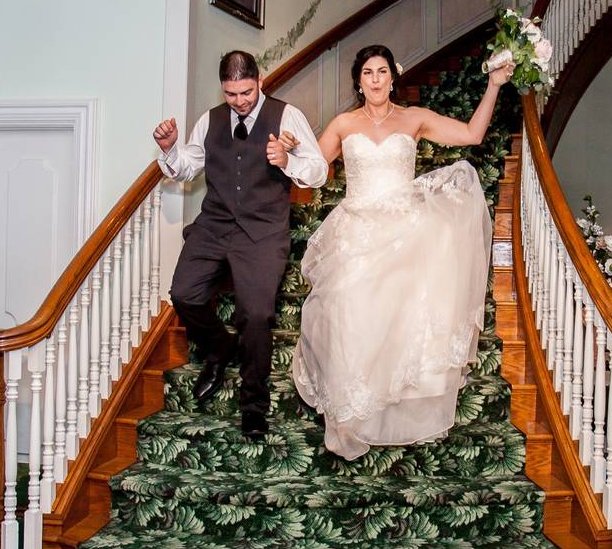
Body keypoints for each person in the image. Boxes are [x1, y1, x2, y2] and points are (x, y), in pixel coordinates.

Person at [291, 44, 514, 460]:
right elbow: (312, 173)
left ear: (393, 76)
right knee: (349, 316)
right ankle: (351, 414)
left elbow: (472, 134)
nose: (375, 79)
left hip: (406, 232)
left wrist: (494, 85)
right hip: (356, 233)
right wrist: (288, 156)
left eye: (381, 72)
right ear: (359, 81)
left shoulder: (414, 119)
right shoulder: (343, 123)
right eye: (367, 72)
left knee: (401, 318)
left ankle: (393, 409)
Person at [153, 50, 328, 439]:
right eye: (231, 94)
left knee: (255, 315)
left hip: (263, 230)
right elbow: (187, 167)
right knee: (184, 294)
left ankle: (253, 406)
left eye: (246, 92)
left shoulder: (286, 115)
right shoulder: (211, 120)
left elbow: (319, 171)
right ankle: (219, 347)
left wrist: (287, 159)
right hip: (215, 225)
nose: (240, 101)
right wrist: (169, 150)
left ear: (260, 81)